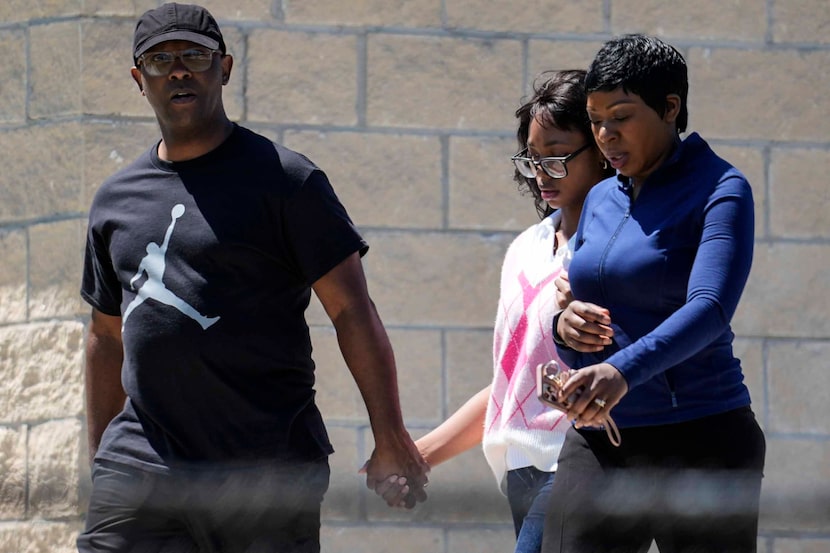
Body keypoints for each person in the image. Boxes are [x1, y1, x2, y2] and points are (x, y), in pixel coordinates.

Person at [77, 3, 428, 552]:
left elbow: (351, 310)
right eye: (159, 59)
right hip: (143, 464)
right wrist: (103, 459)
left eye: (195, 56)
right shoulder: (114, 201)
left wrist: (390, 436)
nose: (178, 70)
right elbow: (105, 334)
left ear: (225, 68)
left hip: (266, 468)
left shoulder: (288, 181)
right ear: (137, 79)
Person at [541, 34, 766, 553]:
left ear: (670, 107)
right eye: (595, 120)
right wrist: (564, 326)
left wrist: (621, 371)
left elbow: (710, 309)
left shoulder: (722, 189)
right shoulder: (598, 197)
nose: (604, 134)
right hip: (604, 439)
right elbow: (583, 302)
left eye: (620, 116)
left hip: (702, 441)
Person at [376, 70, 613, 553]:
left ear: (604, 151)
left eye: (559, 157)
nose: (543, 172)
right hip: (518, 472)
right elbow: (511, 386)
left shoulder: (617, 250)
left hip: (579, 466)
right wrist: (416, 455)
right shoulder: (527, 248)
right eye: (533, 158)